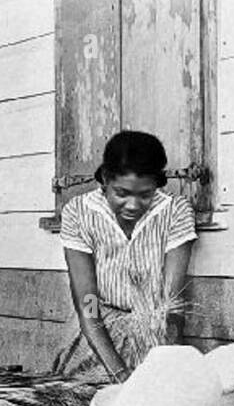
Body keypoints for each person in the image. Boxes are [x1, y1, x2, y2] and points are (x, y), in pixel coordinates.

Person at [54, 131, 197, 382]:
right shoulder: (78, 213)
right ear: (105, 180)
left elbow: (171, 305)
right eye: (121, 193)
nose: (133, 205)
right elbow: (88, 302)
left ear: (157, 184)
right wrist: (119, 372)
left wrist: (160, 362)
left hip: (155, 331)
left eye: (145, 194)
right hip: (98, 334)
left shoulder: (175, 211)